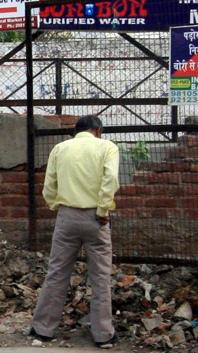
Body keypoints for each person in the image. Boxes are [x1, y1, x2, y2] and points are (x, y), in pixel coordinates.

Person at [29, 115, 120, 349]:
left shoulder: (60, 148)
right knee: (100, 277)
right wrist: (102, 209)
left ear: (76, 131)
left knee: (57, 272)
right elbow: (110, 180)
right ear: (97, 130)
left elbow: (49, 185)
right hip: (96, 218)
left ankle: (43, 330)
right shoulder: (107, 147)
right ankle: (103, 335)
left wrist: (56, 205)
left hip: (66, 216)